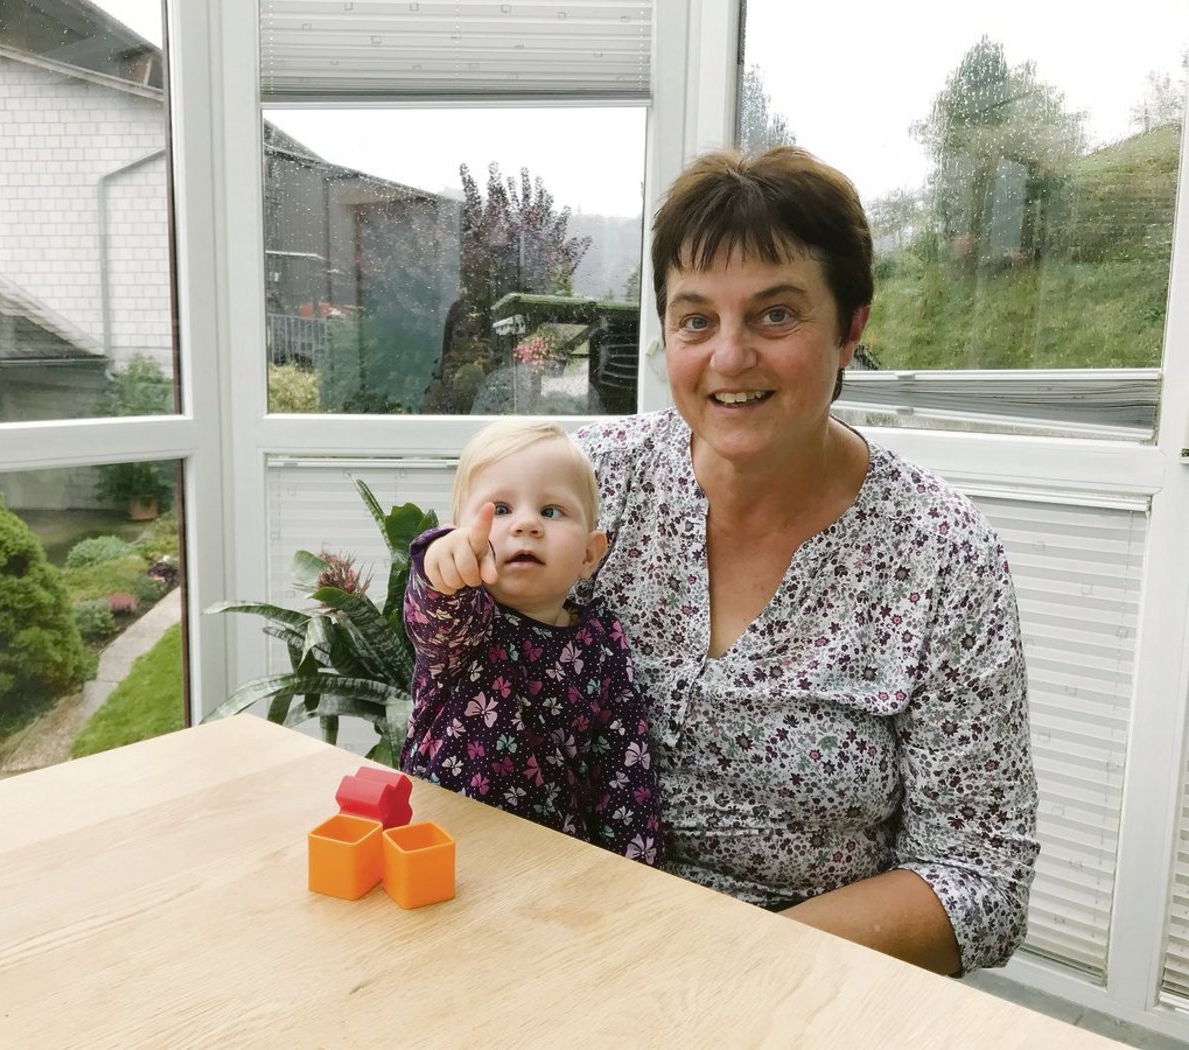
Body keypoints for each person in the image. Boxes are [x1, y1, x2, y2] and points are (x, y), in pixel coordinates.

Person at [573, 147, 1039, 974]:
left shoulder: (941, 555)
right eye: (695, 319)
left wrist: (723, 963)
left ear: (851, 327)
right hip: (570, 930)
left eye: (776, 314)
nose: (728, 356)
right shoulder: (585, 482)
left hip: (801, 985)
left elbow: (979, 877)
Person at [400, 420, 663, 865]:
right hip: (439, 850)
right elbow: (432, 615)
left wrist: (636, 872)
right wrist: (440, 565)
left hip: (547, 866)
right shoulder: (466, 623)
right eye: (499, 509)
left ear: (588, 554)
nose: (526, 524)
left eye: (552, 511)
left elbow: (622, 769)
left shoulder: (603, 642)